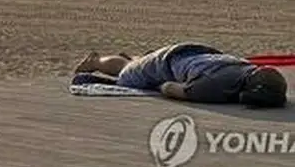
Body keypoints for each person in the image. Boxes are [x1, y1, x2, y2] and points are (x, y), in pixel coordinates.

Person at [73, 42, 288, 108]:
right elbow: (169, 88)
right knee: (128, 73)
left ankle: (138, 59)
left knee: (138, 63)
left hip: (202, 52)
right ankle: (97, 61)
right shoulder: (214, 87)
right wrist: (158, 86)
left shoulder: (247, 68)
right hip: (166, 62)